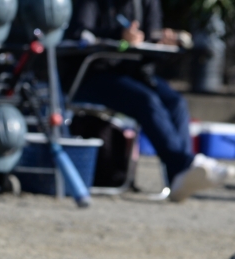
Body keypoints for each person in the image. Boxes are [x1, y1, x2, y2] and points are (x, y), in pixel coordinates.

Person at [65, 0, 234, 201]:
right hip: (93, 74)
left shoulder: (148, 3)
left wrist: (163, 42)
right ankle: (183, 166)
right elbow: (79, 34)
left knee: (176, 102)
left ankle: (179, 177)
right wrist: (119, 34)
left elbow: (150, 42)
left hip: (134, 74)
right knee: (146, 100)